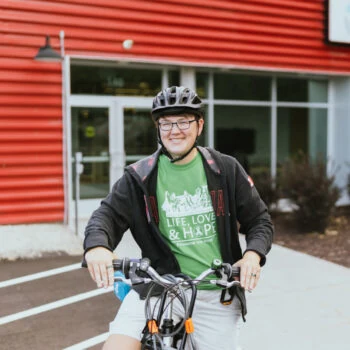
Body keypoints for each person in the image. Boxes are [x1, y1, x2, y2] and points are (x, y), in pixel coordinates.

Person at [83, 86, 274, 350]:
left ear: (200, 125)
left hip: (215, 293)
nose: (175, 130)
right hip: (158, 287)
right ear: (158, 129)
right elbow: (105, 216)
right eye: (166, 123)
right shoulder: (140, 176)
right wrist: (97, 247)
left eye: (184, 121)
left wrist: (252, 256)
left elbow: (260, 221)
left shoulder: (226, 169)